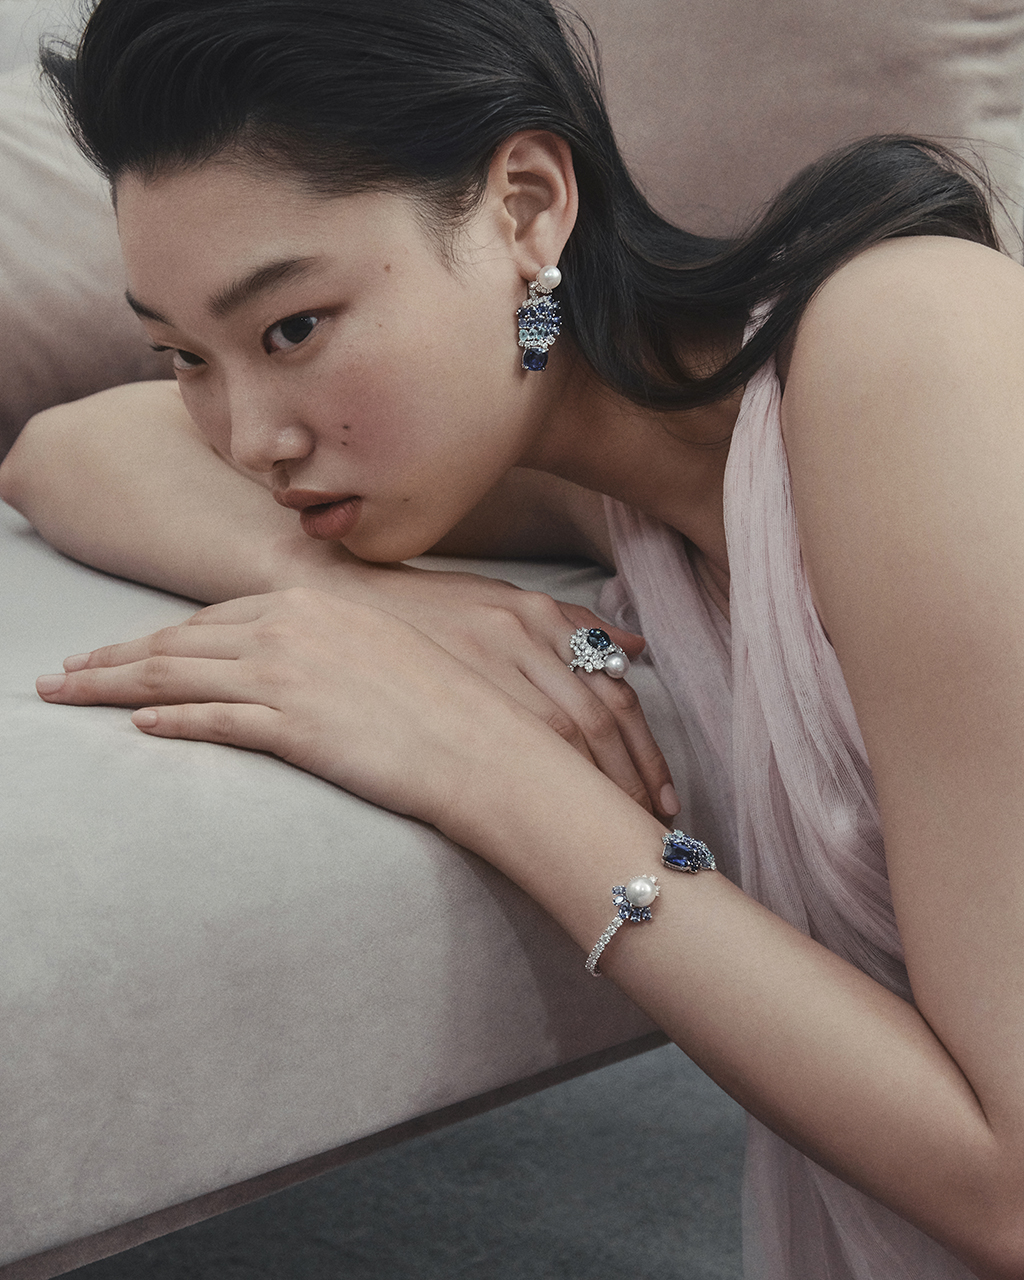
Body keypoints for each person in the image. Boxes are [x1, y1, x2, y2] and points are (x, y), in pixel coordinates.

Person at [1, 1, 1023, 1276]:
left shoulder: (915, 341)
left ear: (526, 207)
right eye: (182, 355)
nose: (251, 437)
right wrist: (347, 588)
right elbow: (61, 450)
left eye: (291, 328)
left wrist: (479, 758)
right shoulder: (610, 476)